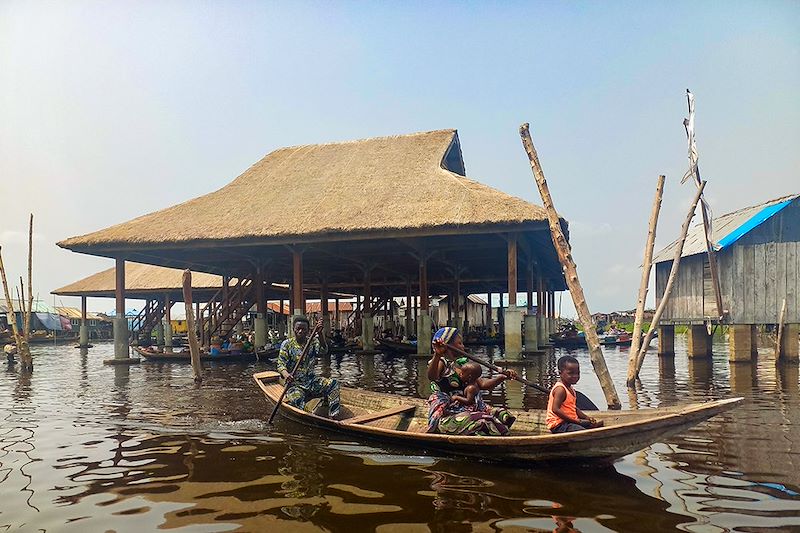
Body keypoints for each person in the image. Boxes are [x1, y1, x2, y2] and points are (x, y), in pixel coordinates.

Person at [426, 327, 517, 436]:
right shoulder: (441, 362)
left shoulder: (462, 364)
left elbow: (482, 383)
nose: (463, 346)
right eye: (459, 343)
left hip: (464, 407)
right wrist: (437, 354)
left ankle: (484, 428)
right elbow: (432, 376)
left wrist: (502, 377)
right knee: (483, 419)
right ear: (447, 346)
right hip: (448, 411)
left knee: (503, 414)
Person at [277, 316, 339, 419]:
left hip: (311, 381)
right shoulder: (287, 344)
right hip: (295, 384)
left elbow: (324, 351)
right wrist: (286, 375)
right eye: (298, 329)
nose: (300, 331)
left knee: (333, 384)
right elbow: (280, 364)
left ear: (308, 331)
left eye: (303, 329)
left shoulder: (312, 342)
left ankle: (333, 415)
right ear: (294, 330)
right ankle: (309, 416)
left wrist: (320, 334)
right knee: (297, 399)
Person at [546, 355, 604, 433]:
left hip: (569, 422)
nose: (575, 376)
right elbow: (555, 409)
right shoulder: (560, 389)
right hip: (559, 424)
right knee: (583, 432)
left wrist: (586, 417)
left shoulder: (571, 389)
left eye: (577, 373)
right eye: (571, 373)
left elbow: (574, 408)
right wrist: (576, 421)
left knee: (595, 424)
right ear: (560, 373)